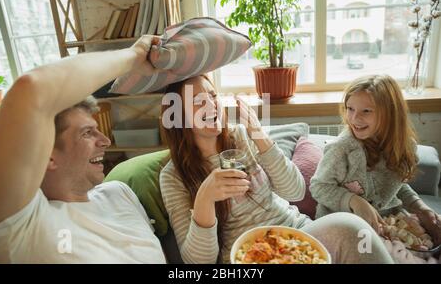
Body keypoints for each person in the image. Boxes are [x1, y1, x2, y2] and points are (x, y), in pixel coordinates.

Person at [159, 75, 394, 264]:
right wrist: (205, 199)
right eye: (198, 101)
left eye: (212, 96)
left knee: (353, 229)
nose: (211, 106)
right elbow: (198, 262)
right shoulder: (172, 176)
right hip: (249, 254)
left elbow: (296, 191)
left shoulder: (241, 137)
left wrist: (259, 135)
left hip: (297, 233)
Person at [0, 36, 167, 263]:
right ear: (48, 156)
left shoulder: (118, 193)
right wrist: (134, 56)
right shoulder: (23, 227)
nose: (105, 140)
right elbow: (32, 89)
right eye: (87, 133)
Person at [310, 75, 441, 263]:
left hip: (390, 223)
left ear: (390, 113)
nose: (355, 118)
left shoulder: (405, 147)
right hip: (345, 225)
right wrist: (354, 201)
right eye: (350, 109)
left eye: (366, 111)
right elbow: (318, 187)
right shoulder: (341, 149)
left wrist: (420, 207)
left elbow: (396, 186)